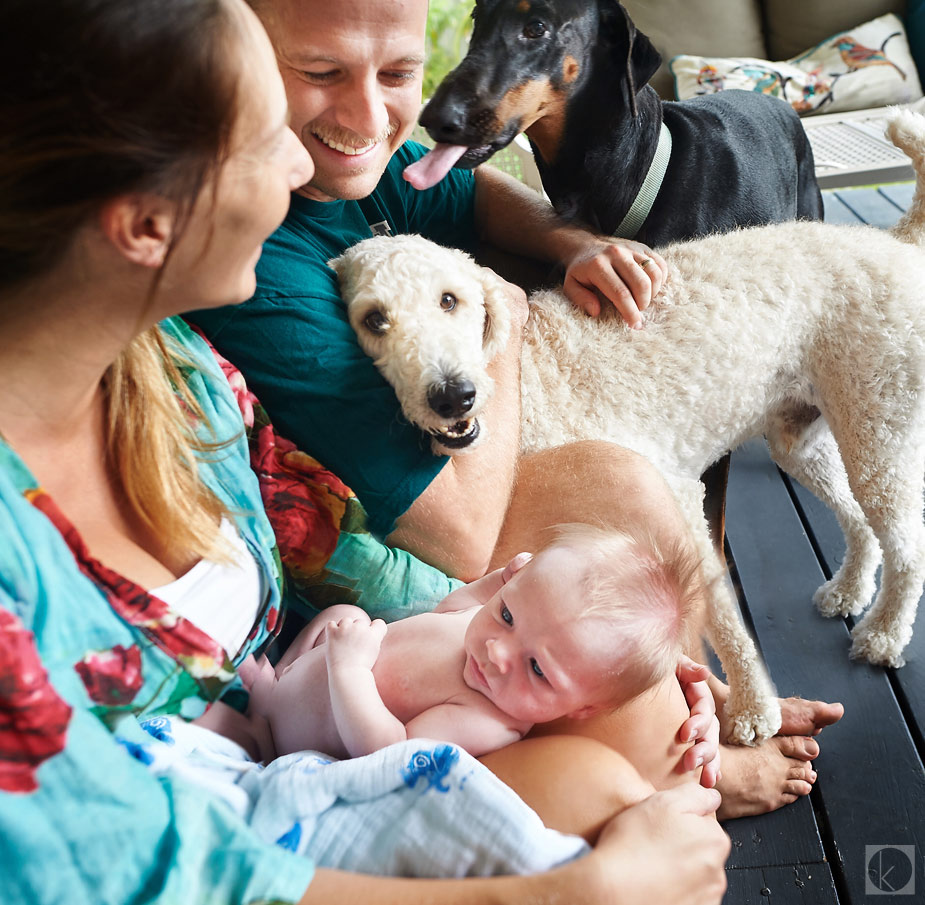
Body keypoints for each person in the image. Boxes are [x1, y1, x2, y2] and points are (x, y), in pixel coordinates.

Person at [0, 0, 730, 902]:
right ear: (146, 224)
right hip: (243, 816)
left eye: (394, 73)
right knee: (621, 799)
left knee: (639, 741)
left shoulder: (174, 366)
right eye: (268, 132)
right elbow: (133, 868)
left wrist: (606, 666)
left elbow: (331, 542)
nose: (302, 161)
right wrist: (561, 897)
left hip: (300, 714)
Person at [188, 0, 842, 817]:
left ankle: (690, 699)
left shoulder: (342, 166)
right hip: (380, 572)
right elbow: (461, 539)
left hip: (433, 491)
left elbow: (470, 192)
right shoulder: (273, 270)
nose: (366, 114)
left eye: (396, 74)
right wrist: (502, 319)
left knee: (628, 506)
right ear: (240, 60)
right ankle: (683, 775)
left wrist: (574, 243)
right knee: (618, 492)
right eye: (320, 73)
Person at [235, 526, 700, 762]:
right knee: (344, 617)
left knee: (216, 722)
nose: (498, 652)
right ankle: (275, 683)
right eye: (507, 612)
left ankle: (260, 728)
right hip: (315, 673)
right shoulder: (490, 624)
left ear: (581, 708)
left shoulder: (488, 720)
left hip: (297, 739)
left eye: (537, 669)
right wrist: (497, 582)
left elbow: (388, 751)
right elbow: (451, 610)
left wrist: (349, 671)